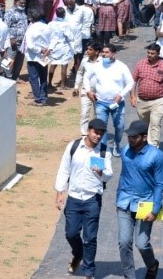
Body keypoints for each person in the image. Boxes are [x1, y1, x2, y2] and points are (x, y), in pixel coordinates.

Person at [55, 118, 113, 279]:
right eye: (96, 132)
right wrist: (60, 193)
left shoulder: (104, 151)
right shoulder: (74, 147)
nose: (98, 136)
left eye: (101, 134)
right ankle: (78, 254)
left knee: (90, 237)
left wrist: (101, 173)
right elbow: (64, 170)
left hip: (92, 199)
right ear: (89, 130)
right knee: (71, 233)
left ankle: (89, 271)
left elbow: (109, 175)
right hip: (73, 197)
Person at [116, 120, 163, 279]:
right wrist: (118, 198)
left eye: (134, 137)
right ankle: (129, 276)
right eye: (129, 136)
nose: (130, 139)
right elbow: (123, 176)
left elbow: (159, 184)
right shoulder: (125, 152)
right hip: (124, 203)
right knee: (124, 243)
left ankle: (152, 265)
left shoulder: (157, 156)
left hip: (146, 205)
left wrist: (155, 210)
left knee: (142, 243)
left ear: (144, 137)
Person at [88, 43, 135, 156]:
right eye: (103, 52)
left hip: (117, 103)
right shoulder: (97, 65)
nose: (104, 54)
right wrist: (88, 91)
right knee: (101, 127)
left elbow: (131, 82)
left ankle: (116, 144)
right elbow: (86, 77)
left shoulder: (121, 66)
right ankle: (103, 148)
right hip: (101, 102)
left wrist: (121, 94)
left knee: (119, 126)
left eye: (107, 52)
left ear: (114, 54)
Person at [130, 43, 163, 147]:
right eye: (148, 53)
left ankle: (154, 147)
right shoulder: (140, 64)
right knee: (144, 125)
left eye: (152, 53)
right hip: (142, 101)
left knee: (155, 123)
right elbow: (133, 80)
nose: (149, 55)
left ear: (158, 54)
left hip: (158, 100)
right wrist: (132, 96)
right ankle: (144, 145)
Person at [24, 10, 53, 106]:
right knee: (43, 77)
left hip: (33, 56)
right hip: (44, 57)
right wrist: (47, 50)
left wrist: (41, 50)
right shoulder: (47, 27)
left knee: (34, 77)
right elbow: (52, 40)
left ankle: (38, 98)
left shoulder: (31, 29)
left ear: (31, 18)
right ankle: (43, 97)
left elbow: (30, 46)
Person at [48, 8, 79, 91]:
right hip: (63, 46)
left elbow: (48, 34)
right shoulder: (66, 24)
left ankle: (49, 83)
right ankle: (62, 85)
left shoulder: (51, 24)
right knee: (64, 65)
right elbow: (70, 36)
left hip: (53, 46)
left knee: (53, 64)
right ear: (64, 14)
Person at [74, 42, 101, 136]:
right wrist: (76, 87)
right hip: (86, 91)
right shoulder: (85, 61)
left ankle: (96, 133)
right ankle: (84, 135)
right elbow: (80, 73)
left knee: (98, 114)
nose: (87, 51)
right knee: (84, 113)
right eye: (87, 49)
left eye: (90, 49)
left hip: (99, 93)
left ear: (97, 52)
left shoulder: (103, 62)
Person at [4, 0, 29, 81]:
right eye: (21, 3)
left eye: (24, 3)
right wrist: (11, 38)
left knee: (19, 63)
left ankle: (14, 78)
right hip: (13, 43)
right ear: (16, 2)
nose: (23, 5)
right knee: (9, 61)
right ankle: (7, 77)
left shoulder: (23, 13)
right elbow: (6, 26)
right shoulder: (10, 12)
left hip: (22, 43)